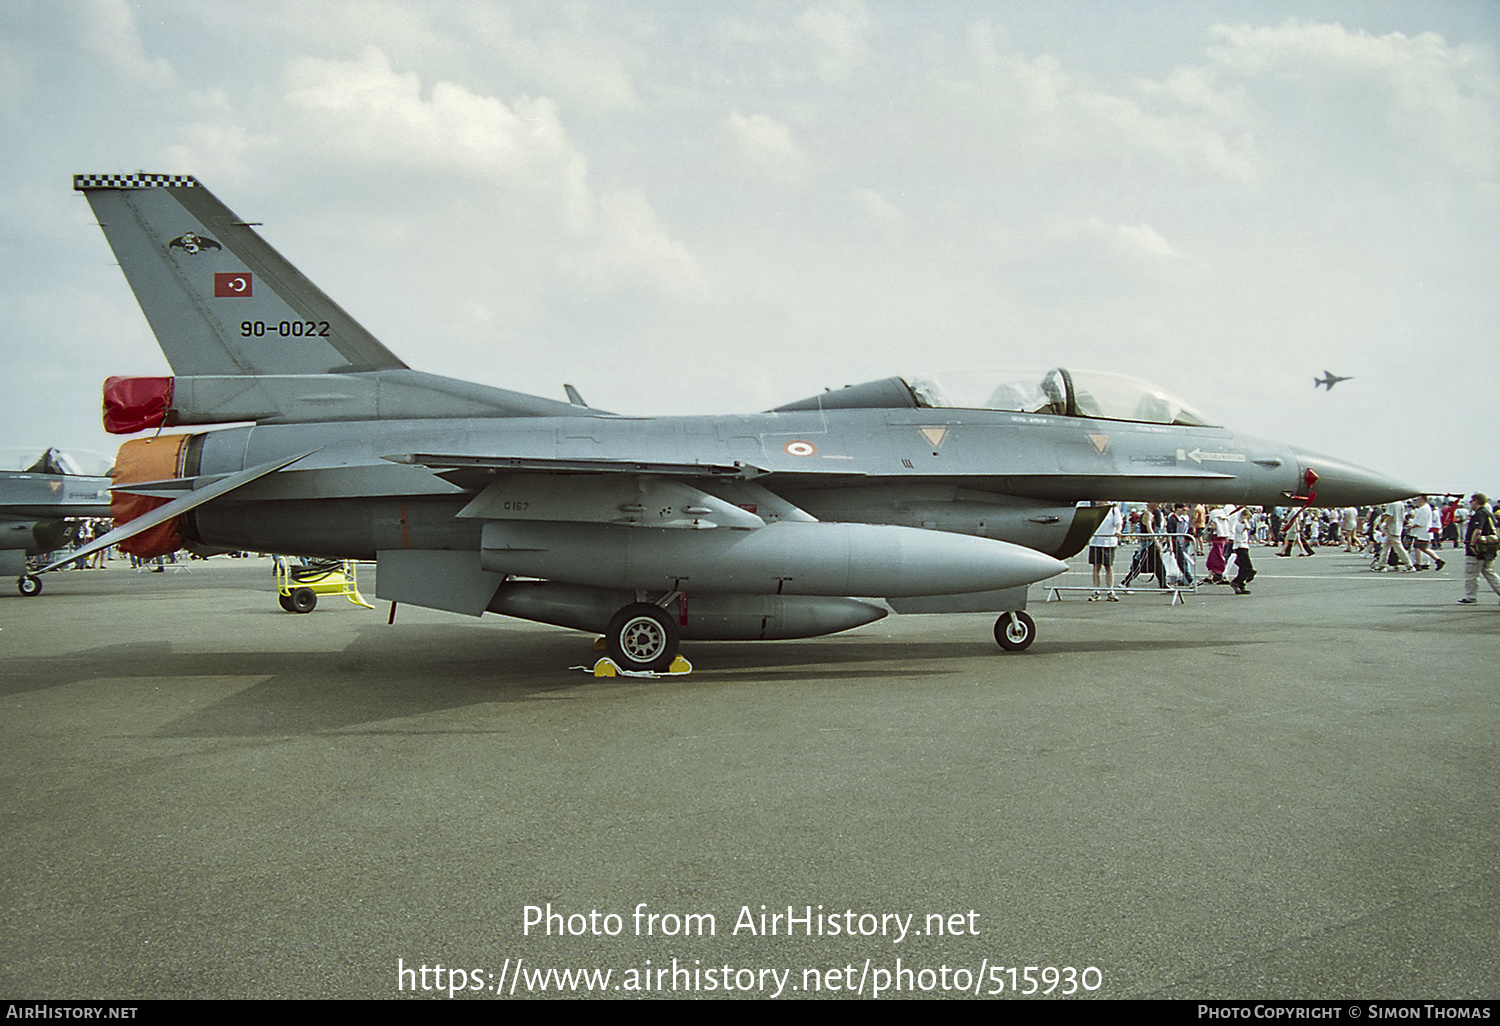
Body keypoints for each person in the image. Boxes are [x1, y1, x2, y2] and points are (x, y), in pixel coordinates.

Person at [1458, 493, 1500, 605]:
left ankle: (1470, 597)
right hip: (1490, 548)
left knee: (1471, 574)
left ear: (1477, 501)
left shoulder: (1479, 514)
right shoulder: (1489, 514)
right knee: (1489, 572)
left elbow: (1478, 531)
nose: (1470, 503)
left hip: (1479, 550)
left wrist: (1472, 545)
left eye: (1472, 501)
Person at [1087, 501, 1123, 601]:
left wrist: (1118, 530)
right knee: (1096, 567)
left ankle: (1110, 591)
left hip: (1108, 542)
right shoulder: (1093, 510)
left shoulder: (1113, 510)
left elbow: (1118, 523)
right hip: (1095, 542)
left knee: (1108, 567)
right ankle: (1096, 591)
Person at [1408, 496, 1444, 571]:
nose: (1416, 502)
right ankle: (1438, 560)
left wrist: (1412, 526)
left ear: (1422, 500)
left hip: (1422, 532)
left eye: (1417, 500)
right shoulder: (1424, 508)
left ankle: (1418, 563)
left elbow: (1421, 522)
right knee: (1424, 548)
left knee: (1417, 547)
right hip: (1423, 532)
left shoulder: (1423, 509)